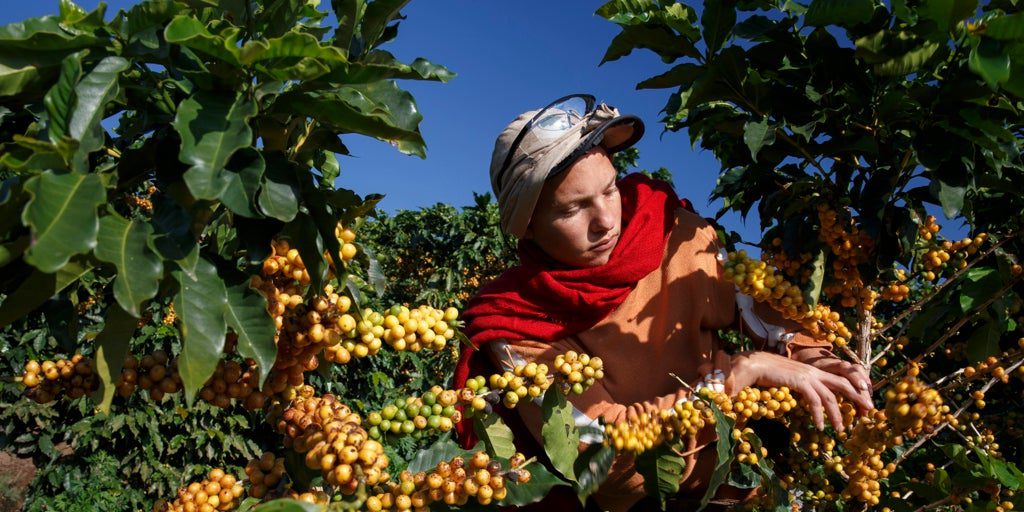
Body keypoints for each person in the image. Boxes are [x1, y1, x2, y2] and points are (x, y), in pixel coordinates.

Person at [454, 94, 873, 511]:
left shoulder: (668, 232)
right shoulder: (517, 325)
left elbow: (760, 308)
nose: (605, 221)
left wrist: (814, 358)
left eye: (609, 190)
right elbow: (605, 462)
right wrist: (742, 375)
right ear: (527, 228)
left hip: (751, 482)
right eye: (573, 210)